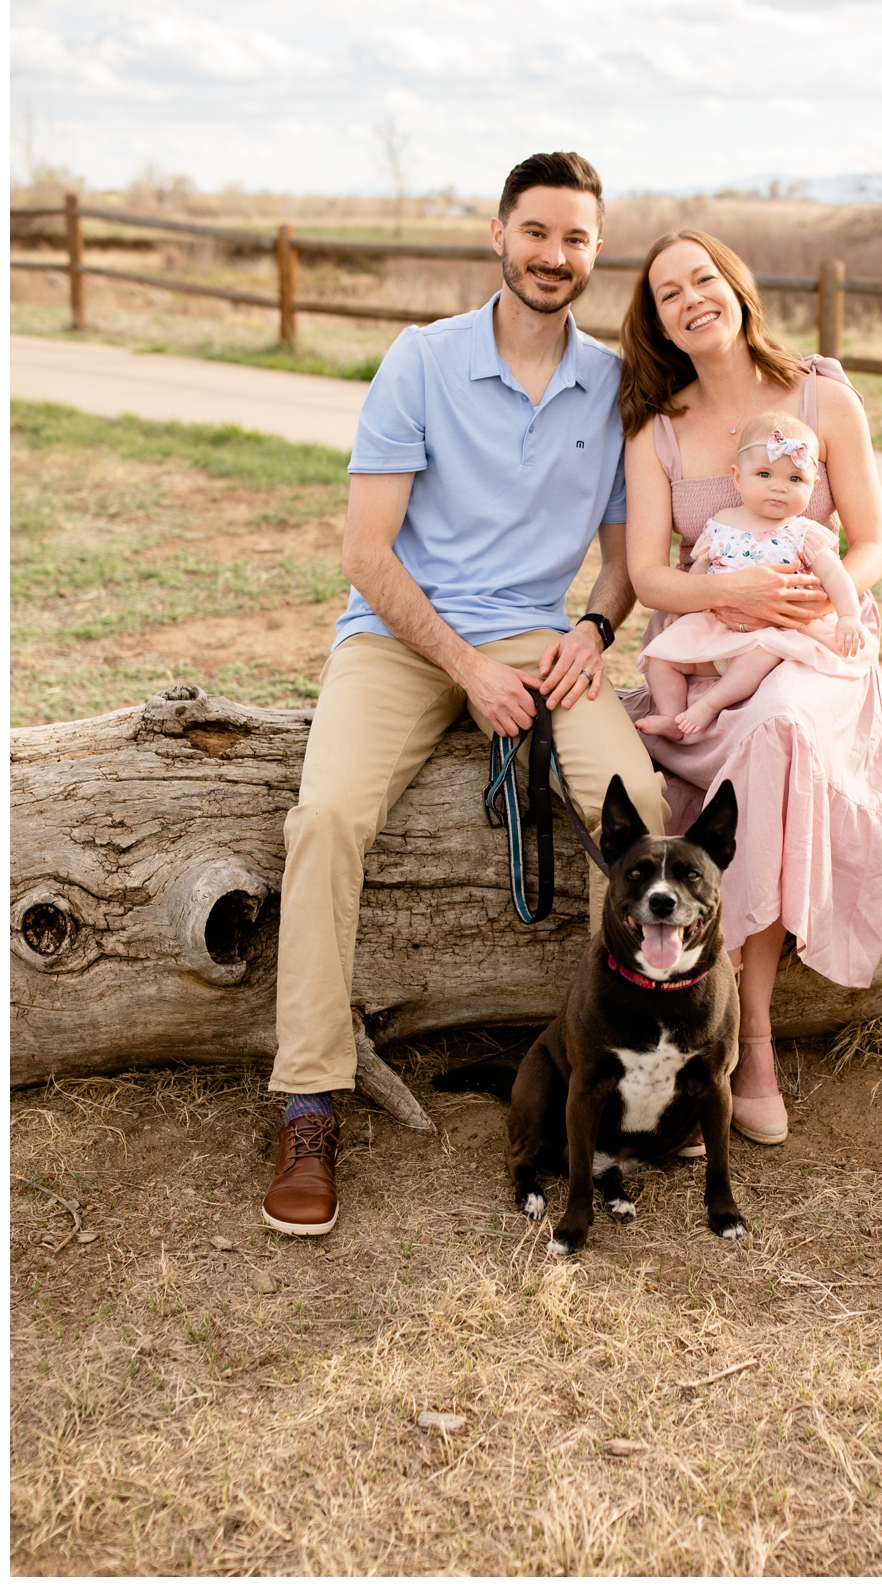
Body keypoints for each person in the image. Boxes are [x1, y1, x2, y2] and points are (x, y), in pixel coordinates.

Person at [264, 150, 667, 1238]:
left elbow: (624, 558)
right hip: (401, 635)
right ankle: (309, 1098)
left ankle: (621, 1077)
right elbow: (365, 549)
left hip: (543, 639)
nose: (555, 255)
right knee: (327, 818)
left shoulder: (609, 385)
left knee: (642, 818)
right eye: (537, 232)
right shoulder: (422, 361)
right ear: (499, 235)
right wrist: (467, 668)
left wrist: (592, 627)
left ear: (595, 251)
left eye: (576, 238)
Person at [619, 230, 882, 1146]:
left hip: (811, 652)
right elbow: (647, 576)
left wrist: (808, 606)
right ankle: (701, 1035)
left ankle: (751, 1039)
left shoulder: (823, 395)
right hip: (704, 649)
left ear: (736, 285)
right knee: (698, 754)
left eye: (704, 277)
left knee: (776, 734)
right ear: (657, 321)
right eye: (669, 294)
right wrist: (727, 594)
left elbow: (871, 543)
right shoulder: (656, 425)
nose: (691, 298)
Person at [636, 410, 870, 741]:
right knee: (661, 656)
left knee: (763, 651)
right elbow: (701, 572)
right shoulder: (720, 524)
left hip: (772, 631)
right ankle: (671, 717)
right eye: (764, 474)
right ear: (737, 476)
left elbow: (836, 577)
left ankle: (710, 706)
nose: (778, 488)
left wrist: (848, 616)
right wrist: (681, 607)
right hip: (716, 626)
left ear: (813, 485)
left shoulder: (803, 532)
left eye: (794, 479)